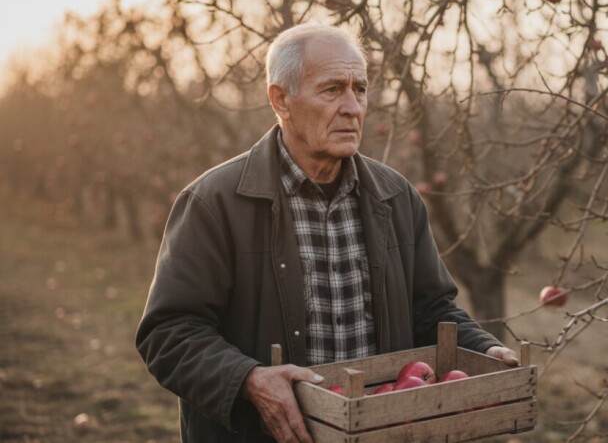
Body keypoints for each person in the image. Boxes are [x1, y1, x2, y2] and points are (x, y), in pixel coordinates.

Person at [136, 23, 518, 443]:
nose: (353, 107)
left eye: (361, 89)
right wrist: (248, 379)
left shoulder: (396, 198)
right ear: (281, 99)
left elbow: (431, 310)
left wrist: (483, 349)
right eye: (332, 90)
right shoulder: (215, 203)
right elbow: (169, 332)